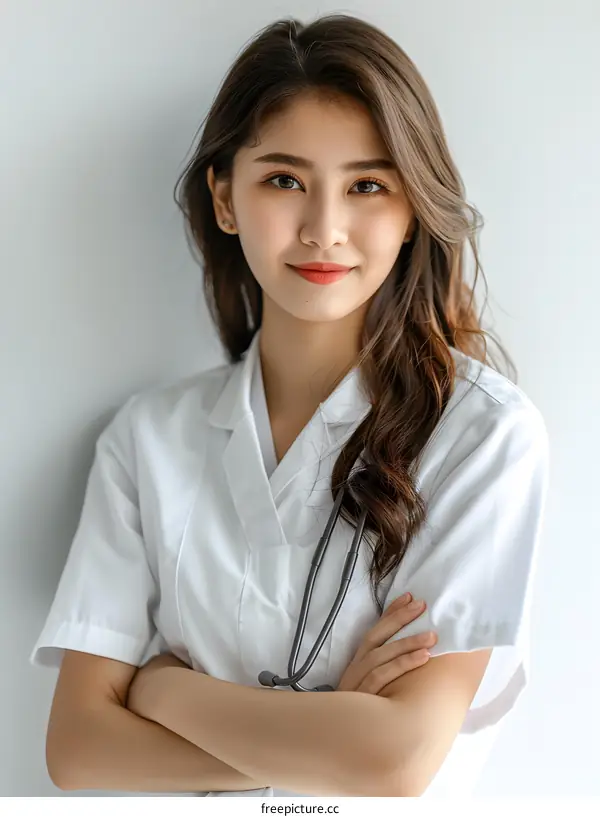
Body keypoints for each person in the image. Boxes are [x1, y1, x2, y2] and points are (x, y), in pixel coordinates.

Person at [30, 13, 549, 799]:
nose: (324, 228)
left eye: (368, 186)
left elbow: (399, 761)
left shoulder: (484, 436)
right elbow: (78, 750)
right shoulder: (148, 438)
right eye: (283, 179)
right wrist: (333, 727)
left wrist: (163, 690)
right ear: (225, 197)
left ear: (413, 212)